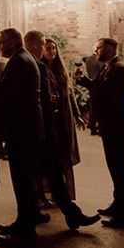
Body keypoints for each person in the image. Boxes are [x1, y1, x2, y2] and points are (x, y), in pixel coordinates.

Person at [21, 31, 100, 236]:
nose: (49, 50)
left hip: (50, 129)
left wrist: (72, 115)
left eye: (52, 47)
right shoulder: (35, 66)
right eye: (45, 46)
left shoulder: (48, 68)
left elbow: (62, 96)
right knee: (41, 174)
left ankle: (69, 214)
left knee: (54, 173)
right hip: (42, 130)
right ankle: (43, 214)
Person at [76, 37, 124, 229]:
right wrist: (83, 80)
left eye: (98, 48)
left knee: (120, 170)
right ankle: (118, 204)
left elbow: (118, 102)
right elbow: (98, 88)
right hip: (110, 126)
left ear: (109, 48)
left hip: (115, 127)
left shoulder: (119, 69)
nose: (96, 52)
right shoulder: (108, 67)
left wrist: (106, 123)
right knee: (115, 168)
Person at [0, 28, 43, 247]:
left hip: (22, 129)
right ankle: (23, 222)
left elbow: (7, 96)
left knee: (22, 180)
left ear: (13, 42)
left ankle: (26, 233)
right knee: (24, 180)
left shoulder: (18, 62)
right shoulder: (24, 58)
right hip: (27, 128)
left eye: (2, 41)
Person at [42, 37, 85, 199]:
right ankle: (48, 191)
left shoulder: (60, 68)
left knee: (64, 153)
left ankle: (62, 191)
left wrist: (77, 115)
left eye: (54, 48)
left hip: (63, 117)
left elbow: (70, 93)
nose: (52, 51)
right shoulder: (41, 68)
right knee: (51, 154)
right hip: (50, 118)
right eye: (48, 48)